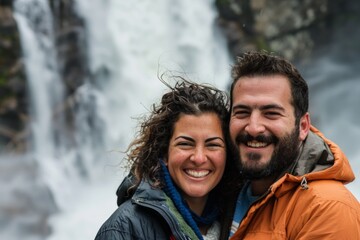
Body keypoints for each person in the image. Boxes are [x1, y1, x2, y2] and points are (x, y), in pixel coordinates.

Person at [226, 51, 360, 239]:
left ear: (303, 126)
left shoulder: (327, 208)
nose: (254, 127)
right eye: (242, 112)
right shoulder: (220, 190)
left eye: (271, 113)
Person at [94, 78, 240, 240]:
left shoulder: (240, 216)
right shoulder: (125, 229)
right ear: (164, 153)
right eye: (185, 144)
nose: (199, 158)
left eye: (212, 145)